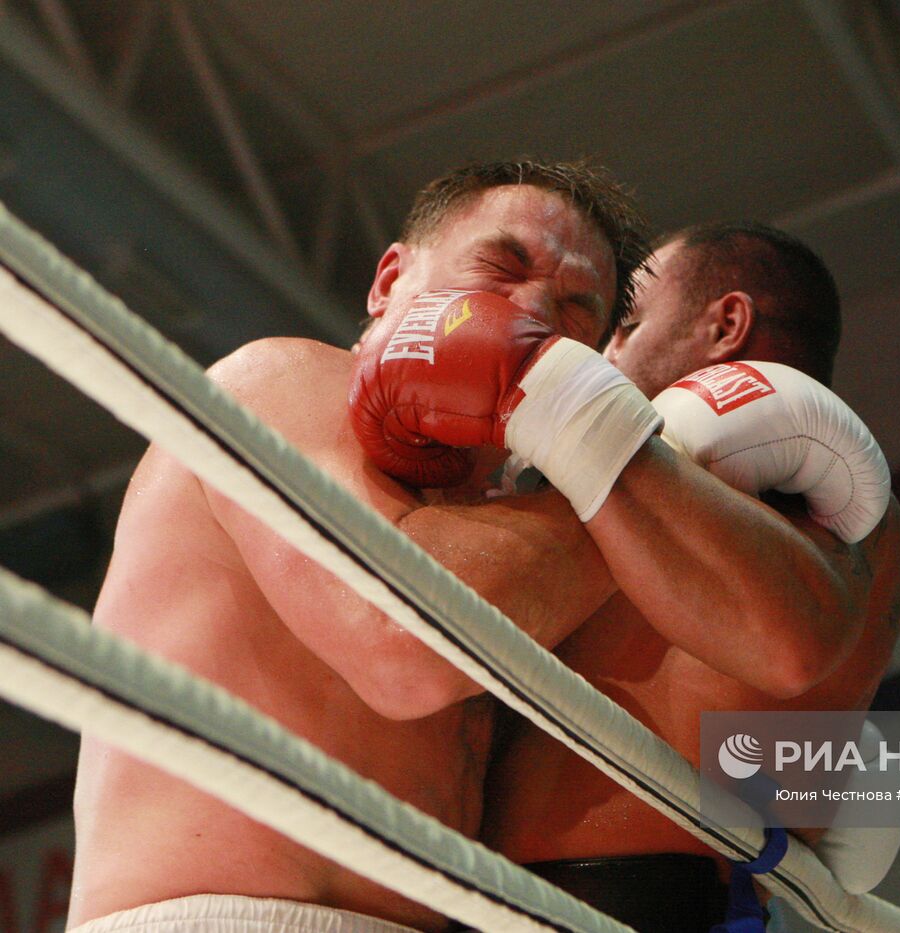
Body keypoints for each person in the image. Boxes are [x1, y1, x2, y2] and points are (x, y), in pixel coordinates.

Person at [66, 159, 652, 933]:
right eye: (502, 267)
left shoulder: (514, 534)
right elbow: (403, 645)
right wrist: (627, 488)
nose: (534, 309)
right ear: (389, 282)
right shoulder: (280, 378)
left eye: (578, 308)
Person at [482, 223, 900, 931]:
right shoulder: (856, 518)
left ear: (727, 324)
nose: (605, 350)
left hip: (635, 901)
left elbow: (787, 651)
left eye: (628, 323)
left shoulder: (817, 495)